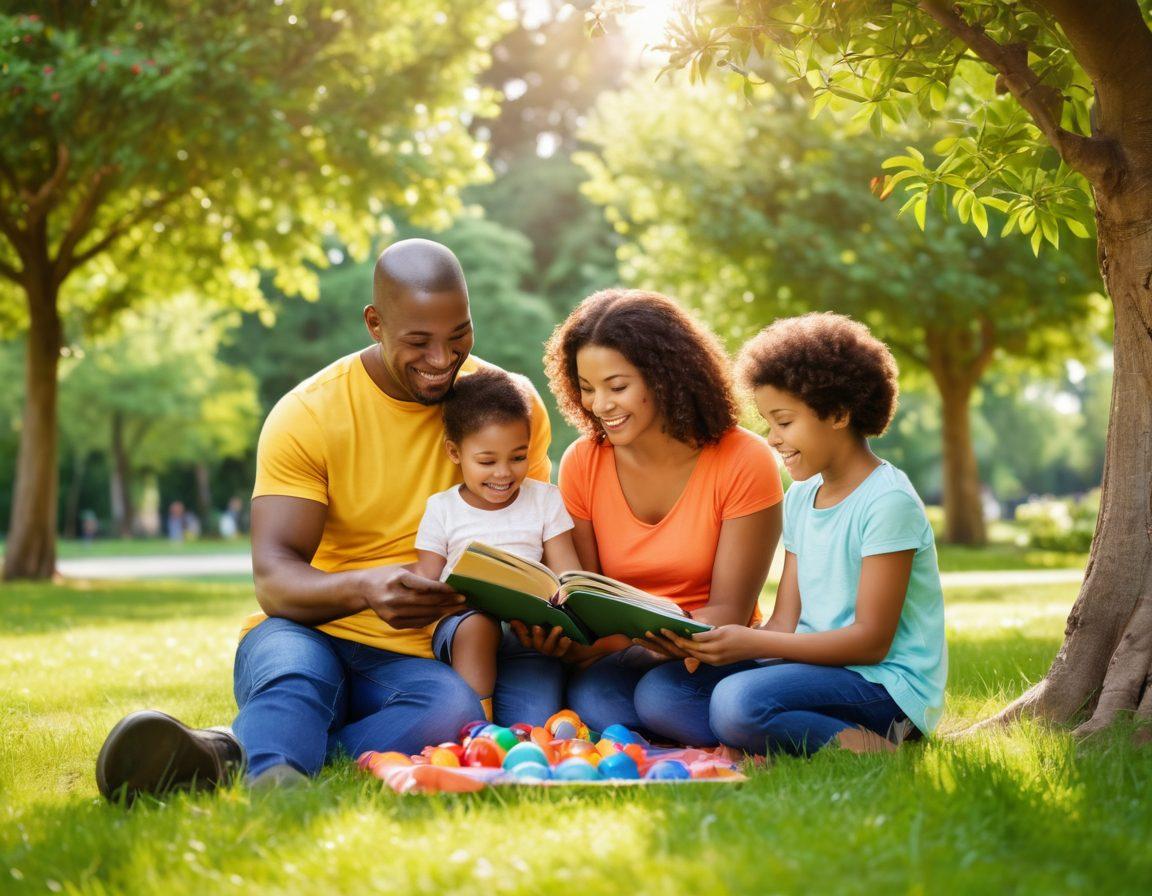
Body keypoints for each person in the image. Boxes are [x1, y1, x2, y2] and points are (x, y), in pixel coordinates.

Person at [95, 239, 564, 801]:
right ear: (374, 323)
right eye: (418, 341)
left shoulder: (509, 409)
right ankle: (269, 767)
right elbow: (273, 577)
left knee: (450, 708)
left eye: (459, 335)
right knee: (295, 681)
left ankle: (228, 757)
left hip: (416, 656)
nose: (442, 359)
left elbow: (531, 538)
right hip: (307, 629)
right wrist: (364, 586)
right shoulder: (310, 414)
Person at [638, 312, 948, 755]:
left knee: (736, 701)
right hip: (814, 666)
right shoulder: (803, 497)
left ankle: (877, 746)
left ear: (838, 414)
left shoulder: (887, 502)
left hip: (884, 686)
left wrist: (752, 643)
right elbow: (786, 622)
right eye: (768, 423)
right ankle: (763, 735)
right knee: (659, 694)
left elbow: (871, 642)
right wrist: (717, 643)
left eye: (783, 422)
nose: (772, 439)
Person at [512, 288, 784, 736]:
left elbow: (730, 611)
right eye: (586, 389)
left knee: (660, 697)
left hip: (709, 653)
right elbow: (586, 597)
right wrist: (567, 638)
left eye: (617, 387)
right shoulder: (583, 461)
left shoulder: (744, 459)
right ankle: (690, 739)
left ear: (665, 377)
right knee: (593, 697)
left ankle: (736, 726)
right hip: (621, 655)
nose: (600, 405)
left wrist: (649, 642)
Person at [413, 368, 581, 719]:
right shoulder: (442, 508)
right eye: (487, 461)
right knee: (479, 625)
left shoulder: (545, 500)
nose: (504, 473)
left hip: (528, 638)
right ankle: (475, 725)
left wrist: (561, 613)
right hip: (464, 632)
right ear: (455, 453)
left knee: (532, 725)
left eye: (518, 457)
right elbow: (426, 582)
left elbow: (568, 577)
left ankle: (513, 729)